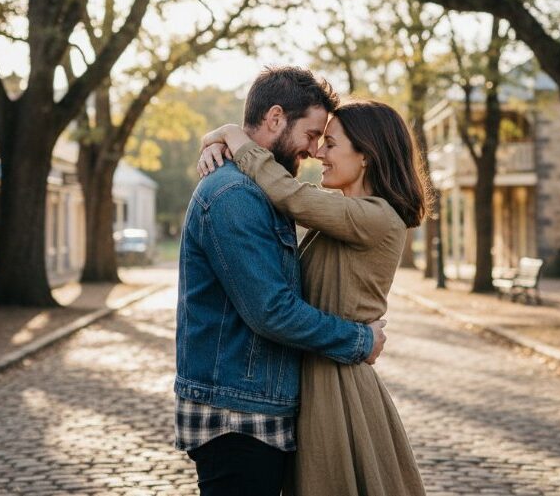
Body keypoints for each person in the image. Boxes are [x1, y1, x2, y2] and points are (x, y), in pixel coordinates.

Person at [175, 66, 388, 496]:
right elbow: (270, 310)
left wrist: (223, 135)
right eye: (312, 134)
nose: (314, 150)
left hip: (256, 406)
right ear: (275, 119)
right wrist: (360, 340)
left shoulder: (260, 190)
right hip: (236, 414)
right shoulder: (235, 195)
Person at [199, 98, 429, 496]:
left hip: (336, 386)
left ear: (366, 157)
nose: (318, 153)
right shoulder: (343, 215)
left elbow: (289, 195)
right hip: (316, 371)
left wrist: (234, 136)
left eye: (331, 144)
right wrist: (215, 138)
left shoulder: (376, 217)